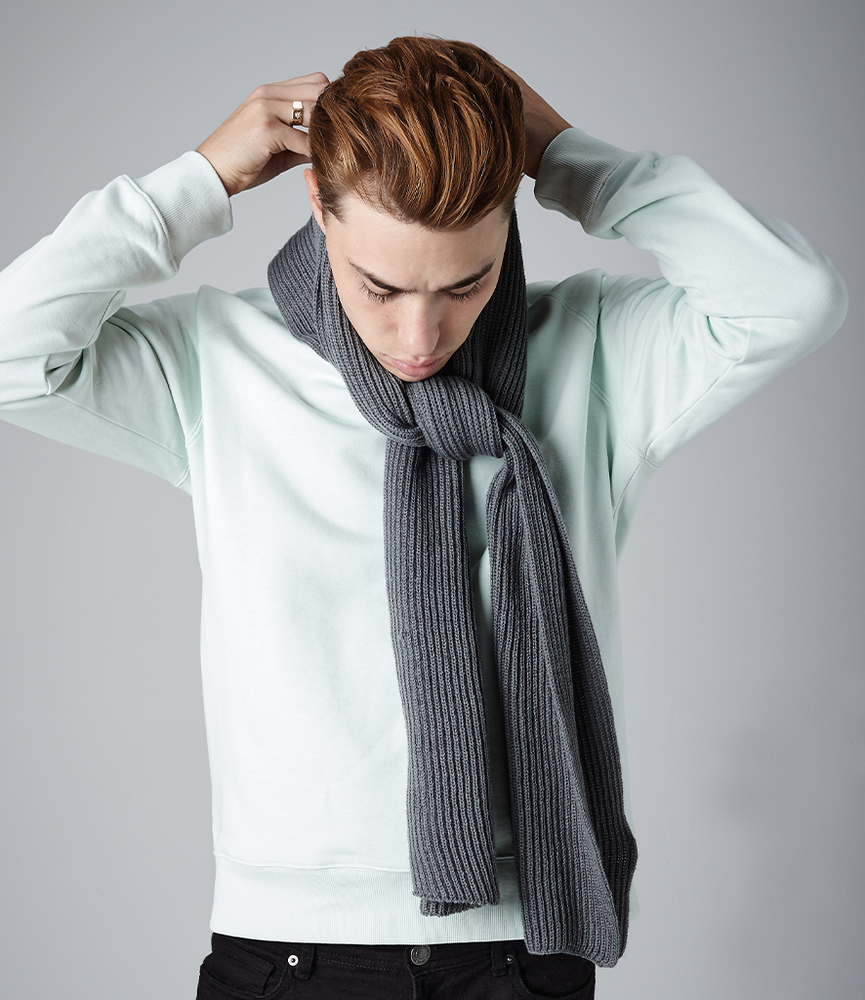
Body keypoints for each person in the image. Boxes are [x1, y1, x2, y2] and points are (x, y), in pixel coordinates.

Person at [0, 35, 847, 1000]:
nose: (419, 336)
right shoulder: (218, 361)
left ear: (508, 227)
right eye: (382, 286)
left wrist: (562, 155)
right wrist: (194, 184)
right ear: (317, 207)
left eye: (464, 284)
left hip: (519, 955)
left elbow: (792, 298)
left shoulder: (596, 352)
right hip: (285, 952)